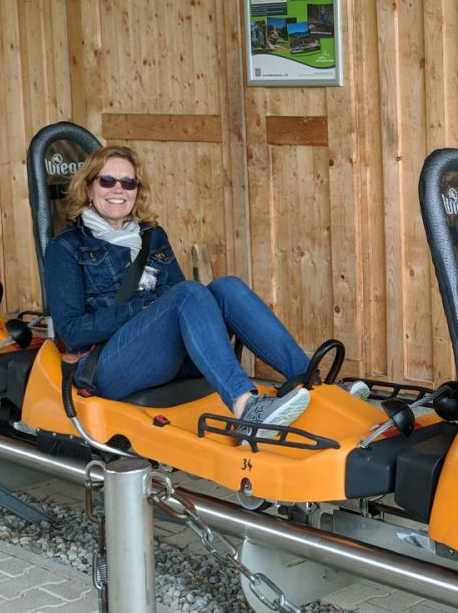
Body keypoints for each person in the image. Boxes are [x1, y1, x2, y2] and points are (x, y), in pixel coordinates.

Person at [44, 146, 360, 441]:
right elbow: (72, 331)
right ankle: (246, 407)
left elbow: (183, 299)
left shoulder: (152, 236)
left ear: (137, 192)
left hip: (165, 357)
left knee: (226, 287)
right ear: (88, 188)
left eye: (128, 183)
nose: (118, 190)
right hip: (110, 365)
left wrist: (163, 306)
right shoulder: (67, 247)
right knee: (188, 294)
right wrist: (143, 307)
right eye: (108, 180)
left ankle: (310, 383)